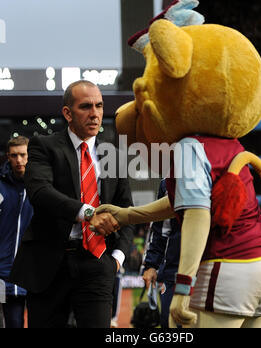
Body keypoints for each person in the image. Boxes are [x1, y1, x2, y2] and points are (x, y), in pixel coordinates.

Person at [9, 80, 134, 328]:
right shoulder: (43, 146)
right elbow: (41, 192)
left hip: (98, 262)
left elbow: (126, 212)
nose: (95, 113)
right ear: (68, 113)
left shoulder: (114, 156)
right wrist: (88, 213)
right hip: (48, 266)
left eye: (99, 106)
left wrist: (117, 258)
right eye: (86, 106)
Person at [0, 136, 33, 328]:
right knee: (13, 323)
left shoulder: (41, 185)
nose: (19, 160)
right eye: (14, 155)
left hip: (35, 272)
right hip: (5, 273)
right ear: (8, 157)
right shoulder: (1, 187)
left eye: (23, 155)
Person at [142, 179, 180, 328]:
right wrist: (151, 264)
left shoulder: (219, 171)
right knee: (169, 323)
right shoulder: (168, 182)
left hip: (212, 269)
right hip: (174, 272)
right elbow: (160, 229)